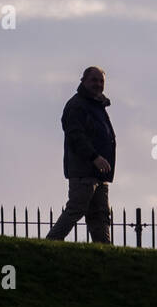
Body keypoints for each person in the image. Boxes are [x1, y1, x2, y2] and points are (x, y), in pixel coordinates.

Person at [45, 65, 116, 243]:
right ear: (83, 81)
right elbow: (76, 137)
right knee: (76, 208)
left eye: (101, 81)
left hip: (99, 172)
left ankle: (104, 251)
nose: (98, 84)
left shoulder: (96, 106)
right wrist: (94, 157)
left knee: (99, 215)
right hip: (84, 170)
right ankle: (51, 241)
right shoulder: (76, 106)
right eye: (94, 80)